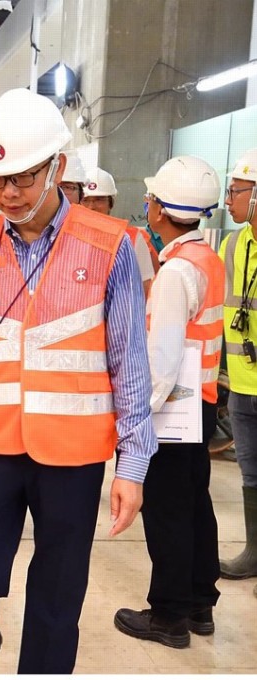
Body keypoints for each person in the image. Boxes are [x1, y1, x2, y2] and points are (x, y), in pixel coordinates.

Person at [0, 88, 157, 674]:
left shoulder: (109, 246)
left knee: (59, 596)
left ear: (57, 167)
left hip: (73, 454)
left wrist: (133, 466)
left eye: (23, 178)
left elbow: (129, 362)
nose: (8, 194)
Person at [114, 156, 223, 648]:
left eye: (152, 198)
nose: (148, 205)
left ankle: (169, 616)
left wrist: (139, 416)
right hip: (198, 402)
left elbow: (161, 359)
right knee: (195, 503)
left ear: (161, 210)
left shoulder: (178, 271)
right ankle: (200, 603)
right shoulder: (207, 258)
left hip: (172, 410)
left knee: (169, 510)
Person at [218, 147, 257, 593]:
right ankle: (253, 551)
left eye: (237, 191)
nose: (230, 200)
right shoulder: (232, 244)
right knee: (251, 472)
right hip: (242, 385)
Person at [84, 167, 159, 296]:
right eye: (86, 200)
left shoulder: (133, 238)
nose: (92, 207)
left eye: (99, 199)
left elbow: (145, 288)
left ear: (111, 203)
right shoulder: (64, 236)